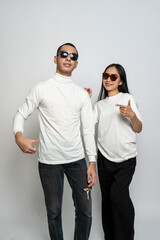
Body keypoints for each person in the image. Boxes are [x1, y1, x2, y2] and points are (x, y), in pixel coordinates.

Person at [13, 43, 97, 240]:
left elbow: (87, 130)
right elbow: (20, 113)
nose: (68, 58)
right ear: (55, 58)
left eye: (73, 56)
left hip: (77, 161)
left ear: (76, 64)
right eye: (64, 54)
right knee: (54, 212)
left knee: (85, 211)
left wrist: (91, 162)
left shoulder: (81, 95)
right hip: (49, 163)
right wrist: (18, 136)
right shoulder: (41, 89)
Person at [86, 63, 142, 240]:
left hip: (126, 159)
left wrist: (132, 115)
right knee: (108, 200)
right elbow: (86, 125)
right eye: (105, 75)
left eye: (113, 77)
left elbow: (138, 128)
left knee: (118, 197)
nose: (108, 80)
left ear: (120, 81)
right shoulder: (100, 105)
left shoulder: (128, 99)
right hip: (104, 160)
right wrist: (85, 101)